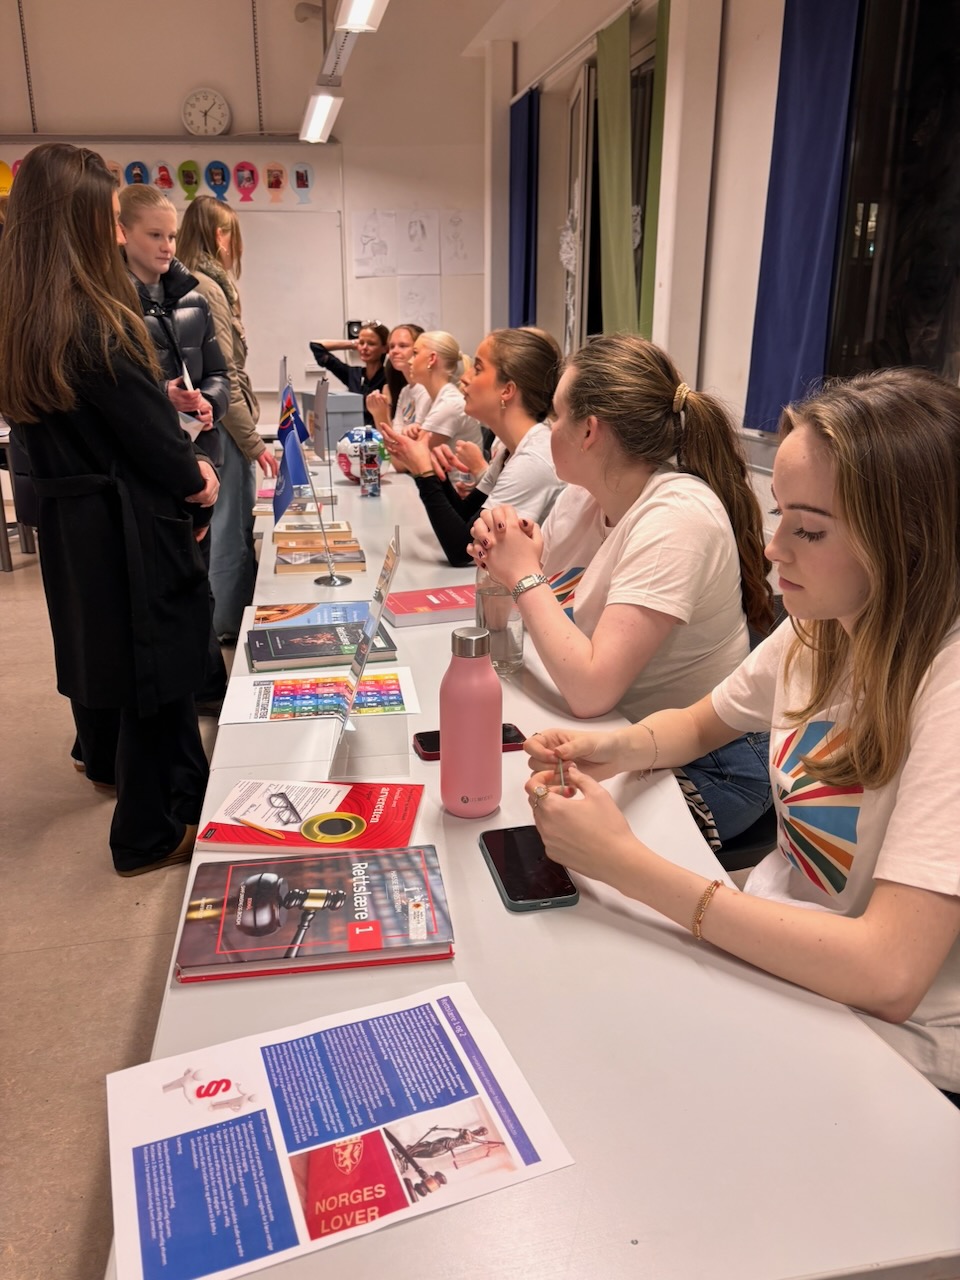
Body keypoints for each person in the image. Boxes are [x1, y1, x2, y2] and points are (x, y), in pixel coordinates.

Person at [524, 366, 960, 1101]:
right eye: (780, 515)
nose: (773, 548)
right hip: (791, 972)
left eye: (809, 529)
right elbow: (703, 721)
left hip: (893, 1054)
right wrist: (613, 748)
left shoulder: (945, 684)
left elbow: (888, 972)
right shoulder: (822, 629)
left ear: (907, 542)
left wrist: (625, 865)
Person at [0, 142, 218, 875]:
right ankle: (148, 833)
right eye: (106, 215)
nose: (115, 230)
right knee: (155, 671)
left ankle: (174, 792)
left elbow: (99, 410)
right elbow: (151, 443)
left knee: (116, 660)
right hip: (127, 520)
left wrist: (153, 401)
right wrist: (197, 476)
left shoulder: (25, 316)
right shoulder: (95, 318)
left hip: (74, 518)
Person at [469, 334, 773, 844]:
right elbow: (503, 628)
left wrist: (522, 576)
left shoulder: (676, 517)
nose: (547, 428)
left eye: (556, 415)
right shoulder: (583, 497)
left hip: (710, 762)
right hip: (622, 735)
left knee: (548, 843)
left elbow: (590, 690)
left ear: (589, 431)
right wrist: (498, 560)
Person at [118, 183, 230, 706]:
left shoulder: (193, 298)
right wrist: (164, 397)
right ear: (124, 233)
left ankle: (208, 684)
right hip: (156, 460)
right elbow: (121, 393)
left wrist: (210, 403)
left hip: (202, 451)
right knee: (172, 582)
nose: (167, 246)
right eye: (155, 235)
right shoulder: (112, 304)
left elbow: (220, 373)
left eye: (172, 236)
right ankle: (188, 689)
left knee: (199, 574)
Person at [177, 195, 278, 643]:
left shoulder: (186, 280)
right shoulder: (208, 287)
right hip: (223, 427)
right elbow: (227, 375)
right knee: (231, 531)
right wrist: (253, 442)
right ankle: (230, 627)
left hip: (210, 423)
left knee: (226, 528)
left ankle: (227, 620)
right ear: (221, 236)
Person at [380, 328, 566, 566]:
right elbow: (466, 517)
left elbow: (461, 551)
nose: (465, 377)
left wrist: (423, 473)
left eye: (477, 369)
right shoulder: (510, 450)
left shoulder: (533, 460)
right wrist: (437, 473)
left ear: (507, 390)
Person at [403, 330, 484, 451]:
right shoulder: (429, 399)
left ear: (432, 359)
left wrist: (381, 416)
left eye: (415, 353)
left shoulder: (449, 404)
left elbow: (410, 456)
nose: (410, 361)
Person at [309, 322, 388, 427]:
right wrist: (353, 344)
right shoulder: (353, 374)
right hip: (354, 432)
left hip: (379, 433)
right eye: (361, 343)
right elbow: (316, 345)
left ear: (384, 348)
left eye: (371, 343)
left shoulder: (390, 377)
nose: (364, 348)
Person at [366, 322, 429, 440]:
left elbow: (405, 445)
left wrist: (381, 416)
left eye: (403, 346)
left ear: (418, 350)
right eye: (391, 346)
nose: (394, 351)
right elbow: (393, 440)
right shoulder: (405, 391)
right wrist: (379, 413)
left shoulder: (426, 390)